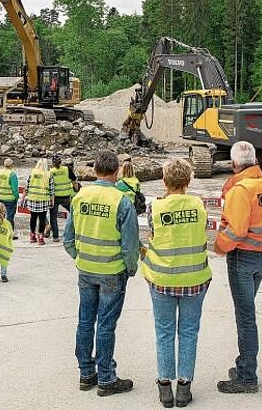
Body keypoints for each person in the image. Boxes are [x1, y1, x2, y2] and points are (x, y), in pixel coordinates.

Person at [213, 141, 262, 393]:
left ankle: (247, 376)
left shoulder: (241, 190)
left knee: (246, 318)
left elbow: (235, 230)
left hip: (242, 258)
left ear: (234, 164)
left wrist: (219, 246)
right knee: (247, 314)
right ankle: (243, 366)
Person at [63, 149, 139, 397]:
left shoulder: (80, 197)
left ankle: (86, 373)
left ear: (94, 170)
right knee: (106, 325)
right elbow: (130, 245)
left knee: (85, 321)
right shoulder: (122, 201)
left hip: (86, 271)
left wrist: (81, 257)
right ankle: (106, 377)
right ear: (116, 173)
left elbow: (68, 239)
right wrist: (130, 268)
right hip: (112, 272)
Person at [142, 158, 211, 408]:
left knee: (164, 332)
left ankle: (164, 388)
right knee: (189, 332)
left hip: (162, 280)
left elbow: (153, 234)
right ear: (189, 181)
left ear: (164, 181)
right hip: (195, 279)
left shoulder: (155, 207)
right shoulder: (198, 204)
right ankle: (184, 388)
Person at [23, 159, 54, 245]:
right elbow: (51, 189)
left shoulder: (32, 173)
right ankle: (40, 237)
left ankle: (32, 236)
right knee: (42, 219)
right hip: (43, 199)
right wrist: (52, 200)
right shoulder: (48, 174)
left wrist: (23, 197)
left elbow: (27, 186)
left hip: (32, 198)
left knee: (33, 217)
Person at [49, 154, 77, 242]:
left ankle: (55, 236)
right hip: (66, 196)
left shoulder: (50, 172)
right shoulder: (67, 169)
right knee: (74, 214)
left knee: (53, 218)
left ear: (52, 163)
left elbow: (49, 185)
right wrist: (75, 189)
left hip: (55, 197)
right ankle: (76, 232)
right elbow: (74, 180)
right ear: (61, 162)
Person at [0, 158, 19, 240]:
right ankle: (10, 233)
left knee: (1, 215)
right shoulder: (12, 174)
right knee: (10, 217)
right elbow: (15, 189)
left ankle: (1, 232)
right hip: (10, 199)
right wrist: (16, 197)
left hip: (1, 197)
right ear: (12, 165)